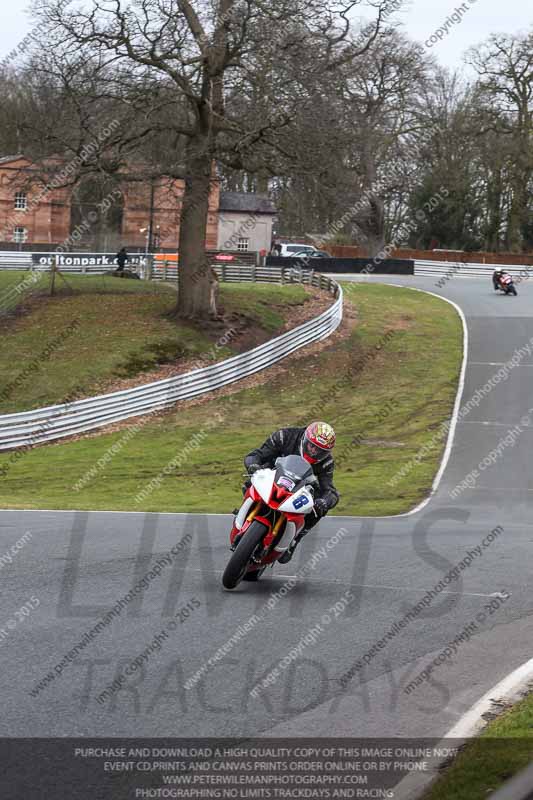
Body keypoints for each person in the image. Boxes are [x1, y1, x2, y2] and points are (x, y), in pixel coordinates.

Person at [243, 421, 339, 562]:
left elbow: (330, 490)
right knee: (249, 482)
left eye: (320, 451)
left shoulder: (326, 463)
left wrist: (324, 501)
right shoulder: (284, 436)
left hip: (298, 491)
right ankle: (244, 514)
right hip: (272, 477)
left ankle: (295, 539)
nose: (314, 452)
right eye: (312, 446)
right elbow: (255, 454)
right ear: (305, 439)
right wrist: (253, 465)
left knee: (319, 508)